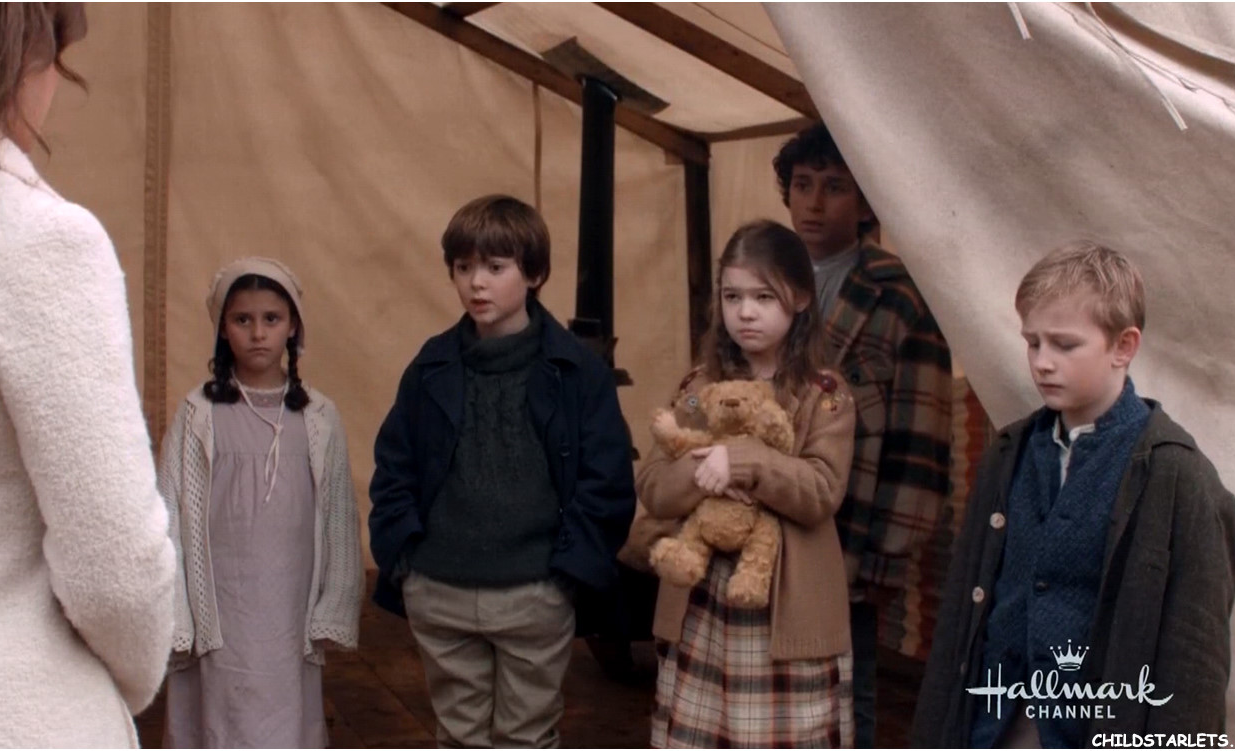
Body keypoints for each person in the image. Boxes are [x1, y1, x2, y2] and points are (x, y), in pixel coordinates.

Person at [0, 4, 176, 746]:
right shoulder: (41, 242)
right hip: (0, 707)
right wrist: (122, 683)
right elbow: (116, 566)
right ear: (18, 60)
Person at [912, 241, 1235, 747]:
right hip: (993, 730)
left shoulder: (1179, 478)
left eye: (1064, 345)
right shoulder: (1009, 455)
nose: (1042, 362)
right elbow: (963, 613)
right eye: (1033, 343)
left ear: (1123, 347)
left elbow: (1195, 666)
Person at [368, 194, 636, 748]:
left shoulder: (577, 372)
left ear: (534, 273)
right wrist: (408, 564)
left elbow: (607, 482)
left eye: (495, 267)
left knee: (526, 738)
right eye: (463, 267)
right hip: (439, 587)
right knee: (458, 736)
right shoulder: (431, 366)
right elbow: (395, 467)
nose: (476, 283)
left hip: (535, 591)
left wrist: (566, 576)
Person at [638, 219, 857, 748]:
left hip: (785, 611)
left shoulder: (824, 394)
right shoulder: (699, 387)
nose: (746, 312)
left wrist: (742, 462)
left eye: (763, 296)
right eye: (732, 296)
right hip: (702, 605)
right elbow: (654, 483)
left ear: (800, 297)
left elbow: (822, 490)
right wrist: (705, 473)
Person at [774, 122, 954, 746]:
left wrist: (889, 552)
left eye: (834, 187)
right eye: (802, 185)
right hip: (762, 525)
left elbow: (922, 436)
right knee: (767, 691)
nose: (814, 204)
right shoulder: (760, 277)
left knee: (848, 694)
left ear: (867, 201)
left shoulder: (899, 297)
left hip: (848, 533)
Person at [160, 257, 363, 748]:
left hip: (289, 613)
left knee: (283, 718)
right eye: (242, 319)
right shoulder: (197, 415)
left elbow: (339, 520)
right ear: (222, 328)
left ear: (293, 326)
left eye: (271, 319)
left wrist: (334, 604)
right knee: (218, 716)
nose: (257, 333)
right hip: (220, 613)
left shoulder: (319, 417)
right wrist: (178, 612)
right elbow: (168, 519)